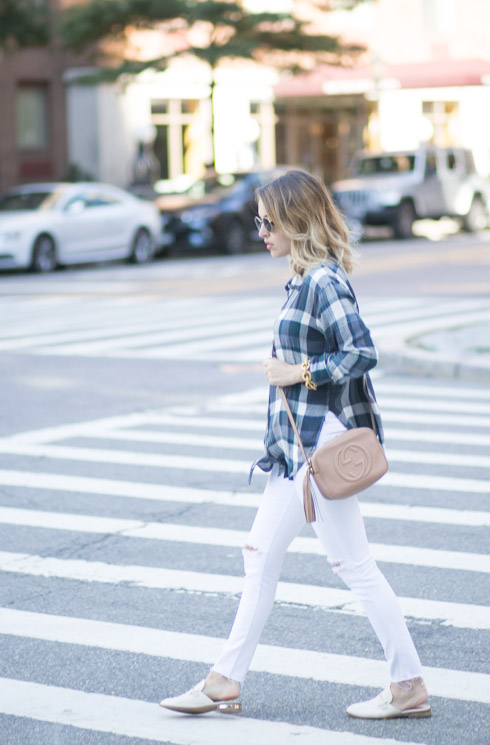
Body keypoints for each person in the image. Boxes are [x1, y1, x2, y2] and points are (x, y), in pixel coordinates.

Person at [160, 170, 430, 720]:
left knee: (350, 564)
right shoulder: (304, 277)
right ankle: (224, 680)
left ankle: (407, 685)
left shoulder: (322, 281)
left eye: (267, 220)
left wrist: (296, 371)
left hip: (318, 443)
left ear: (294, 219)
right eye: (258, 220)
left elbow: (361, 353)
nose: (259, 229)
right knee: (263, 556)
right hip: (297, 450)